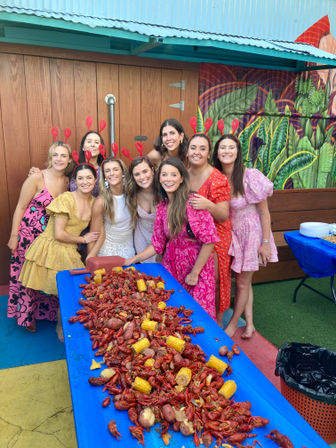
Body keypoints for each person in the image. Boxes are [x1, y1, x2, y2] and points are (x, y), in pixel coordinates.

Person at [125, 158, 219, 320]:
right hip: (172, 267)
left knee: (199, 316)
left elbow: (209, 240)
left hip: (196, 268)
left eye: (173, 175)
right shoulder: (162, 207)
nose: (168, 179)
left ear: (181, 178)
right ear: (159, 178)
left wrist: (195, 273)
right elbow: (157, 244)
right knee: (174, 316)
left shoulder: (193, 202)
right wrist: (134, 259)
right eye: (164, 175)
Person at [19, 163, 100, 341]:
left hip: (69, 249)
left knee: (73, 291)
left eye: (89, 178)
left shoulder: (95, 202)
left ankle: (62, 324)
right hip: (52, 247)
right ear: (74, 181)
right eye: (80, 178)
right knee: (65, 291)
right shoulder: (66, 199)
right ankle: (55, 325)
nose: (85, 182)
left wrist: (91, 253)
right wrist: (83, 240)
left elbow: (99, 232)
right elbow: (59, 233)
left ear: (95, 180)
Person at [213, 134, 278, 338]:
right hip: (231, 234)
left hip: (251, 233)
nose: (226, 151)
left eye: (231, 147)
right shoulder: (217, 177)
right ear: (216, 152)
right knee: (243, 281)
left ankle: (233, 325)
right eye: (222, 147)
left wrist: (265, 242)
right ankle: (249, 323)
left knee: (241, 282)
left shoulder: (250, 176)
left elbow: (264, 212)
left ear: (238, 151)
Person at [7, 141, 73, 332]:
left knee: (47, 273)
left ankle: (47, 313)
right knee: (27, 275)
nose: (59, 159)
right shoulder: (37, 177)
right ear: (50, 158)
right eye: (55, 155)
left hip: (51, 236)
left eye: (63, 155)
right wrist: (13, 236)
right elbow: (20, 207)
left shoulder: (69, 182)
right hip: (28, 234)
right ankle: (27, 317)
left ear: (69, 160)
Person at [187, 133, 231, 326]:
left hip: (216, 238)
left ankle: (217, 324)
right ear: (187, 151)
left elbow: (223, 215)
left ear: (208, 153)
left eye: (202, 148)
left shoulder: (216, 178)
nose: (197, 152)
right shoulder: (185, 173)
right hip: (192, 237)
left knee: (213, 282)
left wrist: (208, 205)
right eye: (193, 147)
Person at [87, 158, 135, 259]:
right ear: (104, 176)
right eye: (107, 171)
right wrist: (91, 260)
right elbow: (93, 235)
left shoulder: (132, 195)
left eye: (115, 169)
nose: (111, 173)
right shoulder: (101, 202)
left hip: (129, 250)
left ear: (122, 172)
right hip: (107, 252)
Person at [128, 156, 157, 263]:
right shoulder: (132, 194)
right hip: (141, 242)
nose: (142, 177)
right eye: (137, 174)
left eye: (145, 171)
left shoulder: (165, 192)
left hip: (161, 243)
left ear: (153, 170)